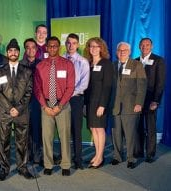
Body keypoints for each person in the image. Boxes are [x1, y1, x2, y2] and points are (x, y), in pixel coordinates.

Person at [34, 36, 75, 176]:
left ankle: (65, 165)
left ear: (59, 47)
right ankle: (48, 164)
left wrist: (60, 105)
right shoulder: (40, 66)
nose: (52, 48)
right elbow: (37, 88)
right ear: (46, 47)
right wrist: (45, 106)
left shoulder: (67, 64)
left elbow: (70, 87)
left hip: (62, 105)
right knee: (47, 137)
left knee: (64, 136)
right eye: (50, 46)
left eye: (55, 46)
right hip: (45, 105)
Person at [0, 38, 34, 181]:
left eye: (15, 50)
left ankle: (22, 167)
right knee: (3, 141)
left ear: (19, 52)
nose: (13, 53)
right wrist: (9, 108)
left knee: (22, 141)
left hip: (22, 112)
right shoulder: (0, 71)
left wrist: (17, 108)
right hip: (5, 112)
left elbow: (29, 92)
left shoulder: (27, 71)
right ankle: (4, 168)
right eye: (10, 50)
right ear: (7, 53)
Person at [111, 42, 147, 169]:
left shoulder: (137, 65)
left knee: (130, 134)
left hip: (131, 105)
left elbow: (142, 86)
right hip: (115, 106)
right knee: (116, 133)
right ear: (116, 52)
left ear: (130, 51)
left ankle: (131, 158)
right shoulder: (113, 65)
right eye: (119, 50)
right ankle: (117, 156)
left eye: (124, 50)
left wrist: (139, 103)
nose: (122, 52)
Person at [83, 37, 113, 169]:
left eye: (96, 46)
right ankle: (97, 154)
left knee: (99, 129)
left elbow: (107, 86)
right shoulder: (88, 64)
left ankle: (100, 157)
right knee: (93, 128)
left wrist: (103, 105)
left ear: (101, 48)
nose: (93, 49)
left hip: (100, 102)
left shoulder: (106, 63)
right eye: (91, 46)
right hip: (89, 102)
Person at [134, 38, 166, 163]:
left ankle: (150, 153)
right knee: (138, 127)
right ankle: (139, 151)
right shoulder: (135, 61)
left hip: (151, 100)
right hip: (137, 100)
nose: (145, 47)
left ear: (151, 46)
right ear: (139, 46)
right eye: (142, 45)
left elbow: (160, 82)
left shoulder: (159, 60)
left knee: (150, 127)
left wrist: (156, 101)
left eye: (147, 45)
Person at [63, 33, 90, 170]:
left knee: (76, 130)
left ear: (78, 45)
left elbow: (84, 85)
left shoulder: (83, 61)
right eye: (68, 43)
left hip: (76, 99)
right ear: (65, 44)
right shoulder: (60, 59)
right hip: (61, 100)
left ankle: (78, 159)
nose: (71, 45)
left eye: (74, 43)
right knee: (63, 129)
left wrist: (69, 93)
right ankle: (65, 158)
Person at [21, 38, 43, 166]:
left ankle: (37, 156)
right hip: (23, 103)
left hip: (37, 102)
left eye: (33, 47)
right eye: (28, 47)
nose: (31, 50)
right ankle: (26, 156)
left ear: (36, 49)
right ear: (25, 50)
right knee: (25, 130)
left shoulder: (41, 64)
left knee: (37, 129)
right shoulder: (19, 65)